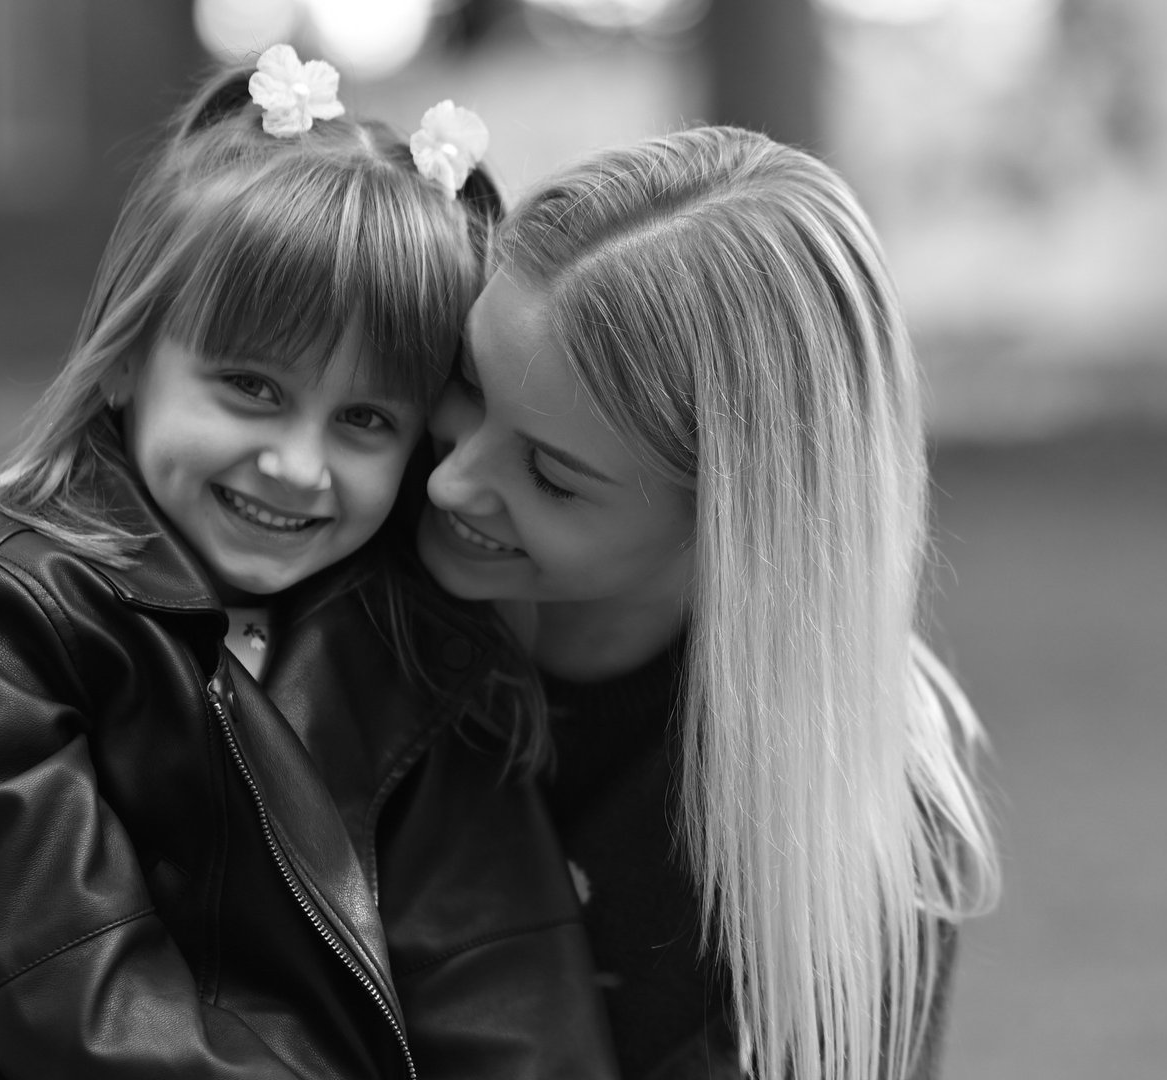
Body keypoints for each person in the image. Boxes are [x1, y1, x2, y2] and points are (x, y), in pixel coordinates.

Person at [0, 46, 610, 1080]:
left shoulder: (406, 642)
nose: (298, 464)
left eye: (363, 418)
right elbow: (86, 1017)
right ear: (130, 355)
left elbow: (513, 1004)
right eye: (253, 389)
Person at [414, 126, 1004, 1080]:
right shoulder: (339, 602)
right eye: (466, 384)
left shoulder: (866, 805)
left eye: (553, 477)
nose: (452, 482)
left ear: (739, 522)